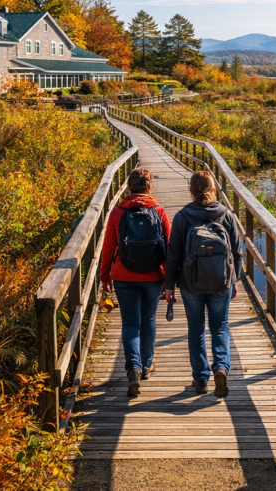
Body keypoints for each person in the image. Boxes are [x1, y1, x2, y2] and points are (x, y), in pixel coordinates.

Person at [163, 171, 244, 397]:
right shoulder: (226, 215)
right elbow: (237, 253)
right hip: (221, 281)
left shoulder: (182, 216)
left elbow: (174, 255)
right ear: (212, 189)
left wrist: (169, 285)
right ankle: (220, 367)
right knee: (220, 326)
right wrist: (234, 280)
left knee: (196, 329)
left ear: (191, 191)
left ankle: (200, 379)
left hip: (190, 283)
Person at [100, 167, 170, 397]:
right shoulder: (158, 211)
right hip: (153, 275)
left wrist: (105, 277)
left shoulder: (118, 211)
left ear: (129, 186)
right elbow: (169, 248)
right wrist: (169, 280)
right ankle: (147, 365)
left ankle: (133, 370)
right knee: (148, 320)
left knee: (130, 323)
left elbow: (109, 247)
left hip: (123, 275)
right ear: (149, 186)